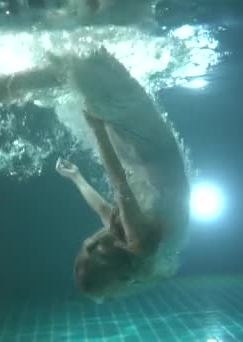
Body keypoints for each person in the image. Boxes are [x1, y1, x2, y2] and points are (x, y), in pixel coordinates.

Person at [55, 47, 190, 301]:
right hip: (157, 151)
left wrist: (76, 177)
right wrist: (98, 129)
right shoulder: (140, 246)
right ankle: (92, 47)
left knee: (93, 88)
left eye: (88, 246)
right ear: (109, 261)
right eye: (94, 250)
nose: (93, 242)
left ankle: (86, 52)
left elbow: (101, 209)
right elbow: (120, 186)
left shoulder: (130, 253)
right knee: (102, 86)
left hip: (155, 163)